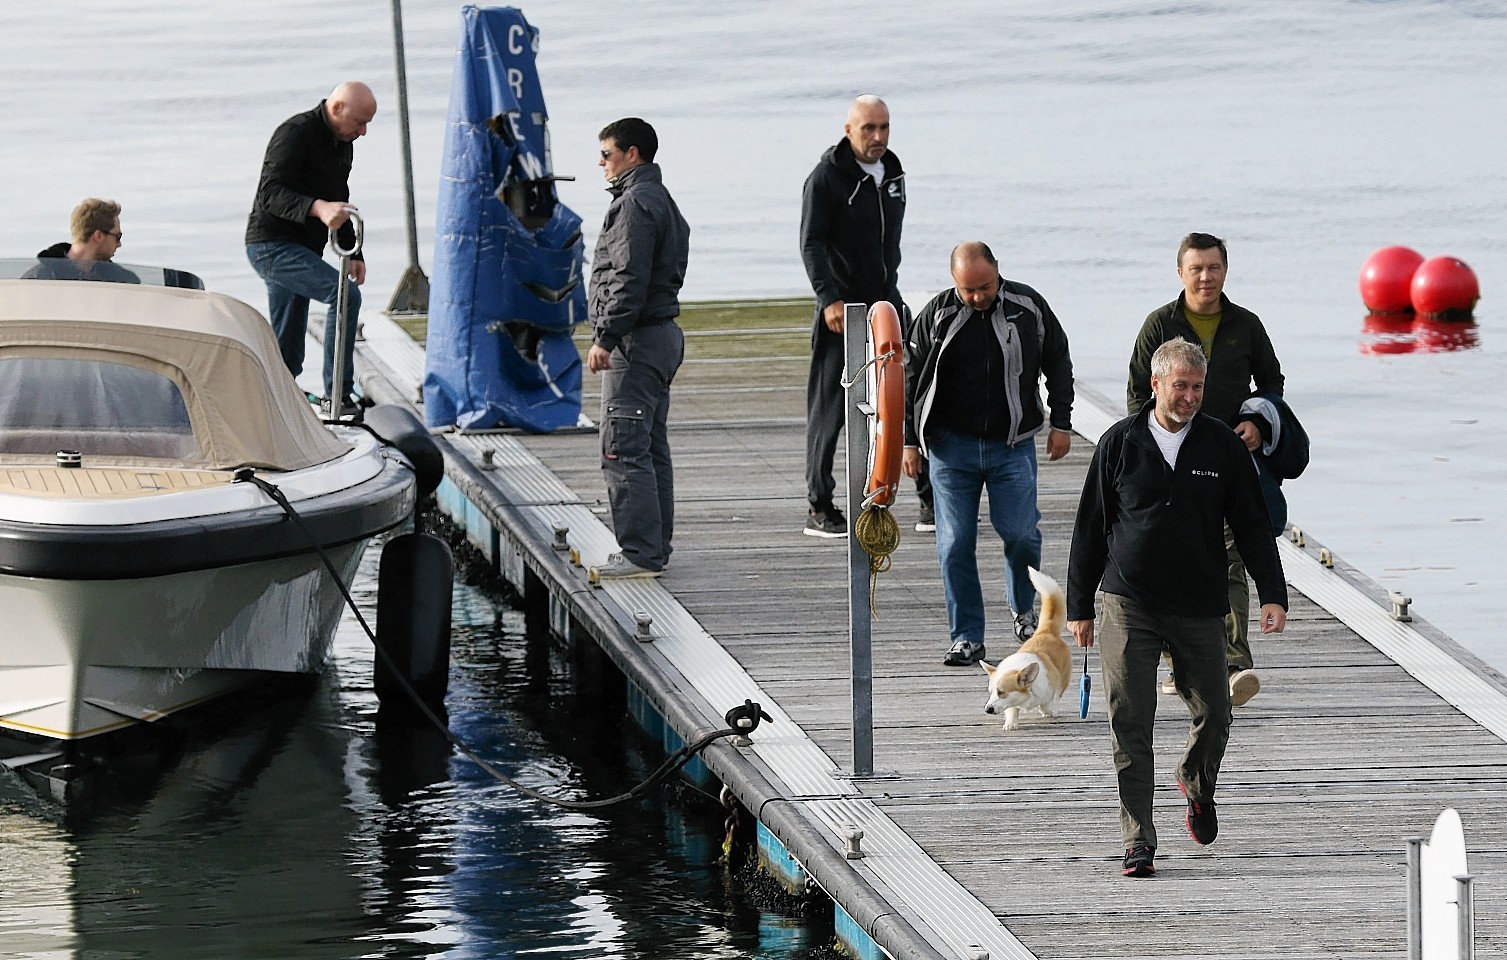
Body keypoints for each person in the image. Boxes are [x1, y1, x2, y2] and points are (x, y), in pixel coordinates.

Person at [1068, 337, 1287, 878]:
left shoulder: (1221, 446)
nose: (1189, 397)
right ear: (1156, 385)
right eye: (1180, 386)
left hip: (1198, 603)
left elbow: (1254, 525)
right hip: (1129, 602)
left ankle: (1195, 778)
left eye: (1197, 387)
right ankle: (1138, 839)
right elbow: (1090, 529)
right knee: (1130, 722)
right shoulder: (1118, 443)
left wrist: (1273, 592)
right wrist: (1081, 606)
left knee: (1215, 714)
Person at [1126, 232, 1284, 706]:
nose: (1205, 276)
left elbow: (1272, 382)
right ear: (1181, 272)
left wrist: (1255, 422)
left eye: (1213, 267)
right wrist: (1151, 448)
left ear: (1225, 271)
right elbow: (1138, 392)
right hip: (1171, 460)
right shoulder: (1160, 324)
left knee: (1232, 558)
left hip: (1228, 458)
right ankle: (1178, 664)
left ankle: (1235, 664)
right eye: (1196, 268)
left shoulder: (1246, 325)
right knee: (1177, 558)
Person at [902, 242, 1074, 666]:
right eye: (968, 290)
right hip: (949, 448)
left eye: (985, 286)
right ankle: (967, 637)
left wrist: (1062, 422)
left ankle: (1022, 607)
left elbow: (1058, 359)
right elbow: (907, 378)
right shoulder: (937, 315)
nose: (978, 297)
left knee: (1020, 534)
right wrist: (907, 441)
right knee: (955, 542)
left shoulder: (1027, 306)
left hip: (1011, 444)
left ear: (998, 271)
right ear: (954, 283)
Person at [799, 95, 933, 537]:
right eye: (868, 129)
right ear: (848, 130)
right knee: (830, 407)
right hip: (842, 308)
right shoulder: (826, 178)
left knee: (911, 391)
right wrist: (829, 298)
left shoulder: (892, 174)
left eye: (884, 127)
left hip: (886, 302)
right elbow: (812, 243)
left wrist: (890, 295)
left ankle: (928, 499)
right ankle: (820, 504)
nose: (877, 137)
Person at [585, 117, 691, 581]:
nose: (601, 164)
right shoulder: (661, 199)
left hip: (637, 339)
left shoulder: (634, 205)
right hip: (660, 334)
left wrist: (605, 337)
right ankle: (653, 547)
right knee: (649, 446)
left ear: (632, 154)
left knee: (623, 447)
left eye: (607, 154)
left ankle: (640, 554)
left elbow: (627, 278)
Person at [245, 81, 376, 416]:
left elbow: (338, 196)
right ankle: (339, 396)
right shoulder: (294, 133)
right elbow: (270, 194)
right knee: (345, 296)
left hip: (304, 248)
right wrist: (317, 208)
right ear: (336, 109)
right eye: (359, 122)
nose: (363, 132)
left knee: (287, 349)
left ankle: (277, 403)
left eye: (367, 124)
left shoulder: (342, 142)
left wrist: (353, 251)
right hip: (271, 246)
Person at [24, 198, 139, 283]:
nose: (119, 244)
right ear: (98, 236)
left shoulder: (123, 282)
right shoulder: (37, 280)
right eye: (117, 236)